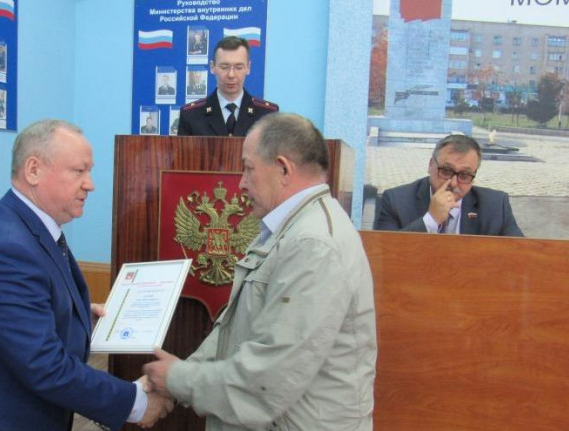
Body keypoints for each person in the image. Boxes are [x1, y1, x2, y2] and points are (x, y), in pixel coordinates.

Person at [0, 120, 173, 431]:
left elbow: (28, 315)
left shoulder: (30, 229)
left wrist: (73, 318)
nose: (90, 184)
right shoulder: (5, 249)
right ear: (33, 170)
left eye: (89, 171)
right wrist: (136, 403)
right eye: (79, 171)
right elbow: (44, 365)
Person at [144, 113, 377, 430]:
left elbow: (269, 378)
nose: (241, 183)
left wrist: (178, 380)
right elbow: (233, 330)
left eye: (248, 168)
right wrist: (177, 378)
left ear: (283, 169)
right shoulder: (286, 229)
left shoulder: (313, 244)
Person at [375, 134, 524, 236]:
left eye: (464, 175)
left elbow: (522, 255)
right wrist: (431, 220)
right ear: (431, 165)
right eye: (446, 171)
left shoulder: (496, 205)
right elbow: (384, 255)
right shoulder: (395, 201)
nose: (453, 183)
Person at [178, 36, 278, 137]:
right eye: (224, 67)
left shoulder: (268, 115)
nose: (231, 75)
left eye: (238, 67)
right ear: (212, 67)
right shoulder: (191, 115)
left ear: (248, 67)